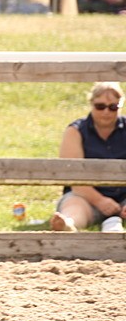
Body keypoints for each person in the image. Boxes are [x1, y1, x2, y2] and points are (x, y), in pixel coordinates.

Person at [50, 81, 126, 232]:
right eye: (100, 106)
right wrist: (100, 201)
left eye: (113, 107)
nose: (106, 112)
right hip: (86, 195)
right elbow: (73, 178)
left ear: (120, 106)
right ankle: (68, 224)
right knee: (75, 206)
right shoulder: (75, 131)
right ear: (91, 104)